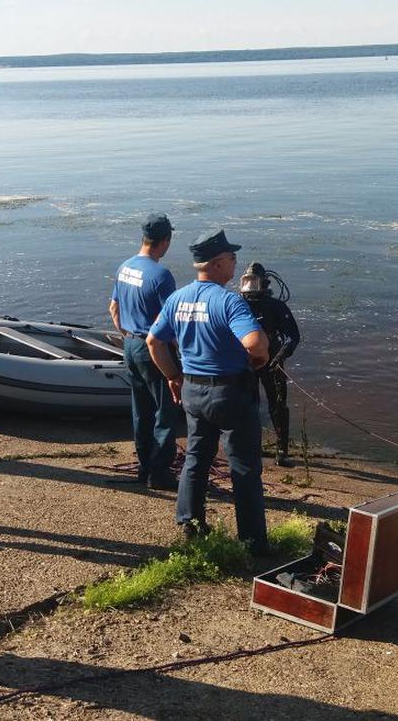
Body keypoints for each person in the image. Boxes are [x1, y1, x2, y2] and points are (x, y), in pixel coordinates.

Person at [146, 230, 271, 554]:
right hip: (229, 393)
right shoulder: (229, 301)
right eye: (231, 258)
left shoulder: (178, 298)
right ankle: (252, 542)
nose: (235, 263)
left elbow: (153, 341)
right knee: (244, 467)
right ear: (217, 264)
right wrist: (258, 361)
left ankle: (190, 523)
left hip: (193, 391)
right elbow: (255, 344)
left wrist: (173, 376)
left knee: (196, 458)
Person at [109, 212, 179, 490]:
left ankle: (144, 466)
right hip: (153, 348)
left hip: (131, 345)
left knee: (141, 411)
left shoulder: (125, 266)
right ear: (165, 241)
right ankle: (159, 474)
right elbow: (169, 322)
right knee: (165, 412)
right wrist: (178, 358)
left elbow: (113, 308)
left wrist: (127, 334)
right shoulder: (161, 275)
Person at [239, 261, 300, 466]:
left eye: (254, 282)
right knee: (247, 404)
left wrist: (281, 356)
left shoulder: (276, 306)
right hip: (246, 362)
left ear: (264, 284)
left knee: (278, 405)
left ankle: (282, 451)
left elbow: (293, 336)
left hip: (273, 362)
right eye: (247, 282)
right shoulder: (237, 304)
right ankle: (251, 446)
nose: (250, 287)